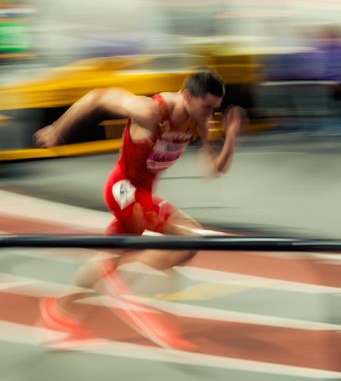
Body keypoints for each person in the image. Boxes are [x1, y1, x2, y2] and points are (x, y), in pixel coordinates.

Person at [34, 69, 245, 348]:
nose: (210, 115)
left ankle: (59, 309)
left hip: (144, 195)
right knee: (189, 237)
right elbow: (98, 97)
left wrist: (231, 137)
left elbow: (213, 170)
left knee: (111, 258)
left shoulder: (198, 121)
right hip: (123, 190)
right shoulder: (150, 111)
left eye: (214, 109)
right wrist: (57, 129)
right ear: (186, 97)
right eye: (206, 107)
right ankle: (137, 299)